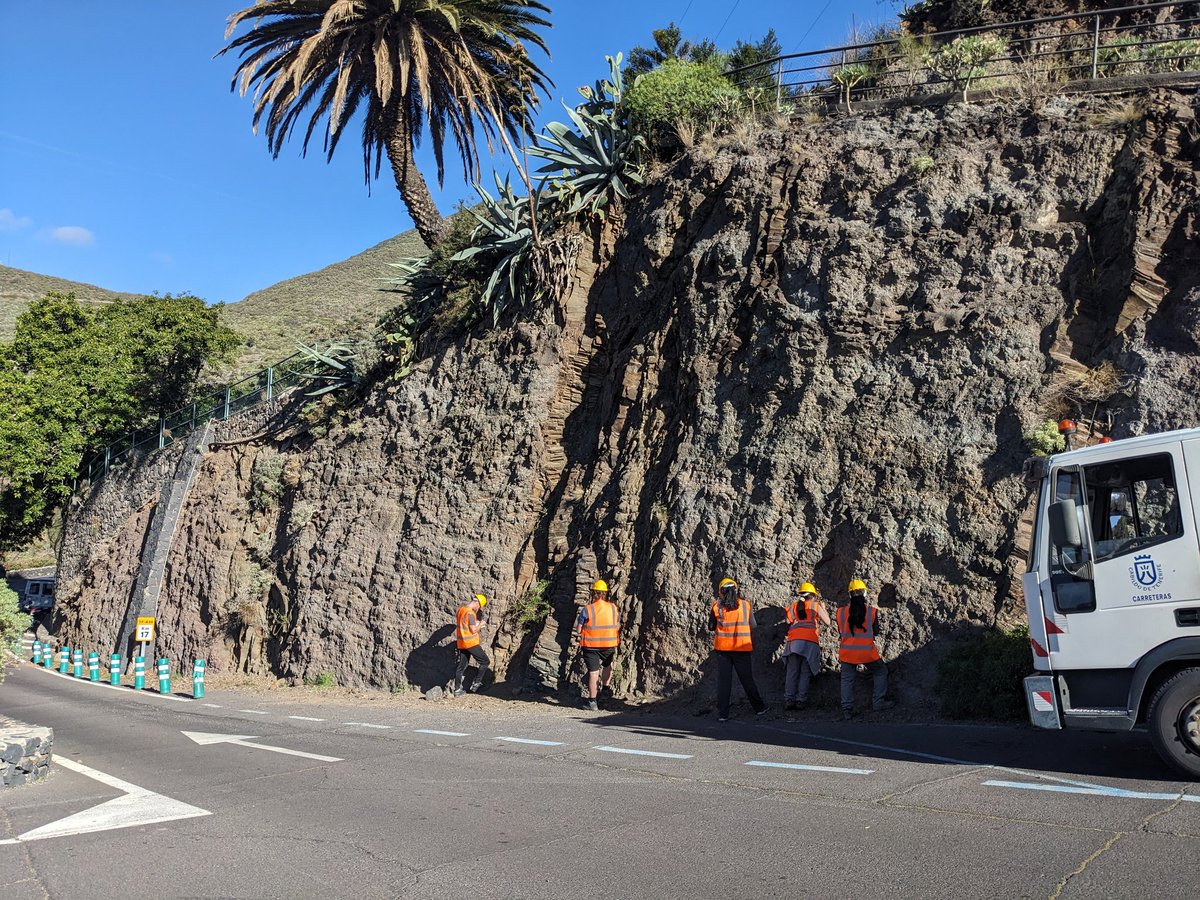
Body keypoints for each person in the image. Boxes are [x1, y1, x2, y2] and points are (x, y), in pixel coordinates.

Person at [710, 577, 766, 722]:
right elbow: (753, 625)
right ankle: (759, 708)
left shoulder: (717, 606)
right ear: (735, 590)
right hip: (742, 648)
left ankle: (723, 714)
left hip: (723, 650)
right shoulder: (745, 605)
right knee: (747, 679)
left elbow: (711, 626)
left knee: (724, 682)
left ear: (721, 592)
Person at [836, 579, 894, 719]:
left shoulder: (840, 612)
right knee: (880, 671)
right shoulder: (871, 612)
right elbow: (876, 632)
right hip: (867, 652)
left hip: (847, 652)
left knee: (847, 679)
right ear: (865, 593)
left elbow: (840, 631)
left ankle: (847, 710)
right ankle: (878, 703)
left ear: (849, 594)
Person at [783, 581, 831, 711]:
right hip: (809, 642)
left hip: (794, 643)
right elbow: (827, 622)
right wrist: (823, 609)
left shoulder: (795, 606)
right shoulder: (815, 606)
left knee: (792, 672)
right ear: (813, 595)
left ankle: (789, 700)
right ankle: (800, 701)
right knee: (805, 672)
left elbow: (787, 621)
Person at [575, 579, 620, 711]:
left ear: (594, 593)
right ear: (605, 593)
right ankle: (605, 689)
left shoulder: (588, 609)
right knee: (607, 665)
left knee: (593, 673)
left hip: (591, 646)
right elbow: (617, 625)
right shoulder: (613, 608)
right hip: (608, 644)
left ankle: (592, 702)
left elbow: (578, 630)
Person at [453, 593, 491, 697]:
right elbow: (473, 630)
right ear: (477, 603)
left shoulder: (461, 610)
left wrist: (475, 622)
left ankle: (457, 690)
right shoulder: (470, 613)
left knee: (461, 667)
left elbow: (464, 623)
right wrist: (481, 624)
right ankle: (477, 683)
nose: (478, 609)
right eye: (479, 607)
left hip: (461, 643)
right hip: (470, 643)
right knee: (485, 661)